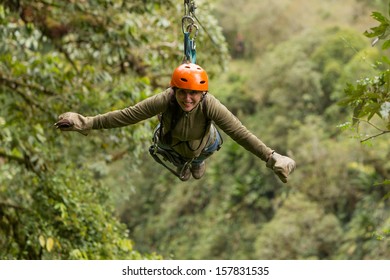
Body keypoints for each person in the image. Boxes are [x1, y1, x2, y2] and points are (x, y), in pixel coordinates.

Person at [55, 63, 296, 182]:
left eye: (194, 93)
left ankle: (197, 162)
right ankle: (187, 162)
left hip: (203, 144)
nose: (188, 98)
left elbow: (239, 132)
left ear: (202, 94)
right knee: (172, 146)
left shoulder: (210, 104)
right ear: (174, 89)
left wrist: (271, 156)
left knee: (200, 156)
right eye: (183, 92)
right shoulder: (166, 99)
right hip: (170, 143)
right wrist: (86, 122)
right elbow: (129, 115)